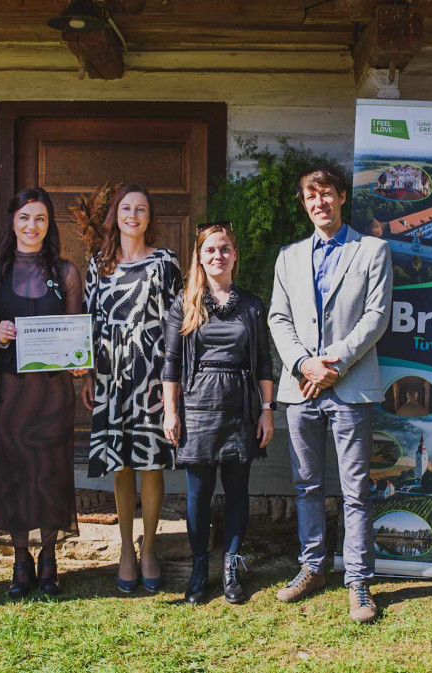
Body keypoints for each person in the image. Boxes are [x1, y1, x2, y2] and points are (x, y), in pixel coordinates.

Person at [268, 165, 393, 624]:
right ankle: (313, 567)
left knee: (355, 489)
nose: (319, 202)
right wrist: (304, 363)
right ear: (304, 204)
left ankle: (358, 581)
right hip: (301, 388)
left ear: (342, 197)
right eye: (310, 196)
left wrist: (332, 363)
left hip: (350, 387)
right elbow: (278, 319)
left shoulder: (373, 251)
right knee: (306, 485)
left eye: (326, 194)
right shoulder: (289, 257)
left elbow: (376, 317)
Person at [0, 188, 83, 598]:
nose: (32, 226)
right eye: (24, 217)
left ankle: (50, 560)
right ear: (12, 222)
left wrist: (79, 359)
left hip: (54, 391)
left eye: (40, 218)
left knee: (51, 469)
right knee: (14, 469)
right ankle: (21, 561)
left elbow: (76, 333)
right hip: (8, 389)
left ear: (48, 224)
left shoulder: (66, 272)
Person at [162, 222, 275, 605]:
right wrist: (170, 412)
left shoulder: (252, 305)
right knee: (198, 494)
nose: (218, 256)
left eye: (225, 248)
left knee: (237, 489)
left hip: (240, 406)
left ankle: (230, 566)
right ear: (199, 256)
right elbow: (171, 363)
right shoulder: (185, 302)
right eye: (210, 250)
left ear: (235, 255)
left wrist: (267, 411)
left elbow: (263, 365)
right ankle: (198, 570)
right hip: (197, 406)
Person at [80, 184, 182, 593]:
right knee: (120, 463)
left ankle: (150, 548)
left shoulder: (165, 262)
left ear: (149, 218)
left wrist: (175, 381)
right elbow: (87, 322)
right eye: (126, 208)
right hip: (110, 376)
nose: (133, 215)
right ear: (115, 215)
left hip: (152, 375)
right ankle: (125, 549)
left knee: (151, 462)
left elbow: (179, 323)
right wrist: (87, 372)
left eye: (141, 209)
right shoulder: (97, 264)